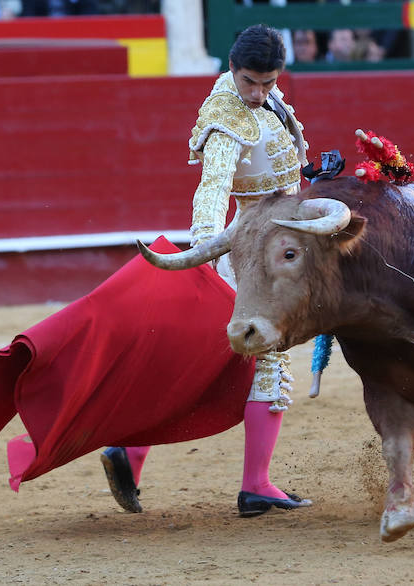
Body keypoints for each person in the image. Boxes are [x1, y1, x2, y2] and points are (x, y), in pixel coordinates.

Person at [101, 24, 312, 518]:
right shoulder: (225, 117)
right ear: (232, 70)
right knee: (265, 360)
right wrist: (204, 257)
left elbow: (283, 169)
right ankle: (255, 485)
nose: (259, 93)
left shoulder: (269, 99)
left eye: (268, 82)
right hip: (246, 254)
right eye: (250, 83)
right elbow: (212, 191)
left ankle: (129, 452)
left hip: (275, 245)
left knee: (201, 361)